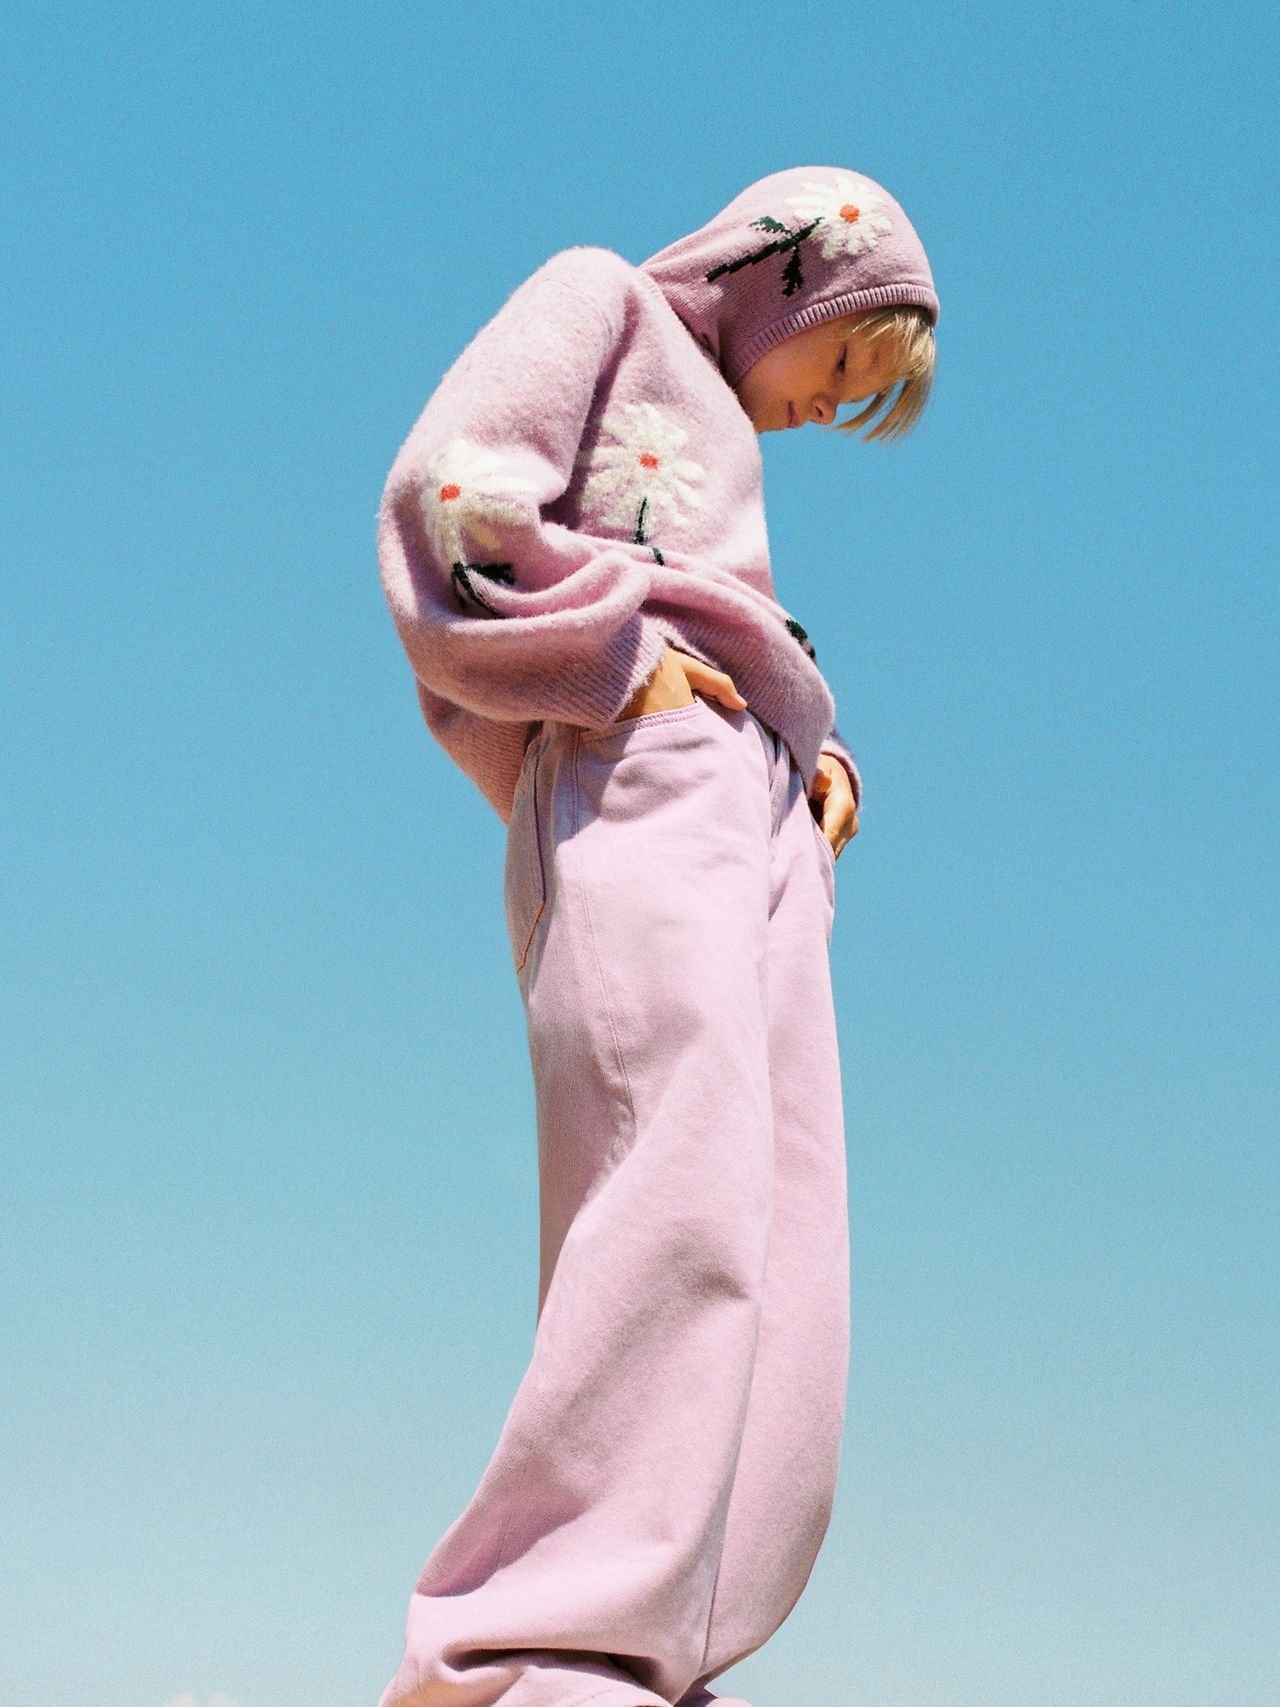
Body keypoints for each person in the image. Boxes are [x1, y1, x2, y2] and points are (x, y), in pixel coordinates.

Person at [374, 165, 939, 1707]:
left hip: (757, 815)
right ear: (796, 280)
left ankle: (662, 1648)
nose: (837, 411)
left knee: (783, 1246)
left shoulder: (719, 434)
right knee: (672, 1191)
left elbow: (732, 612)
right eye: (846, 367)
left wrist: (806, 773)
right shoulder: (601, 302)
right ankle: (531, 1646)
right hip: (643, 777)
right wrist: (618, 666)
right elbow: (448, 495)